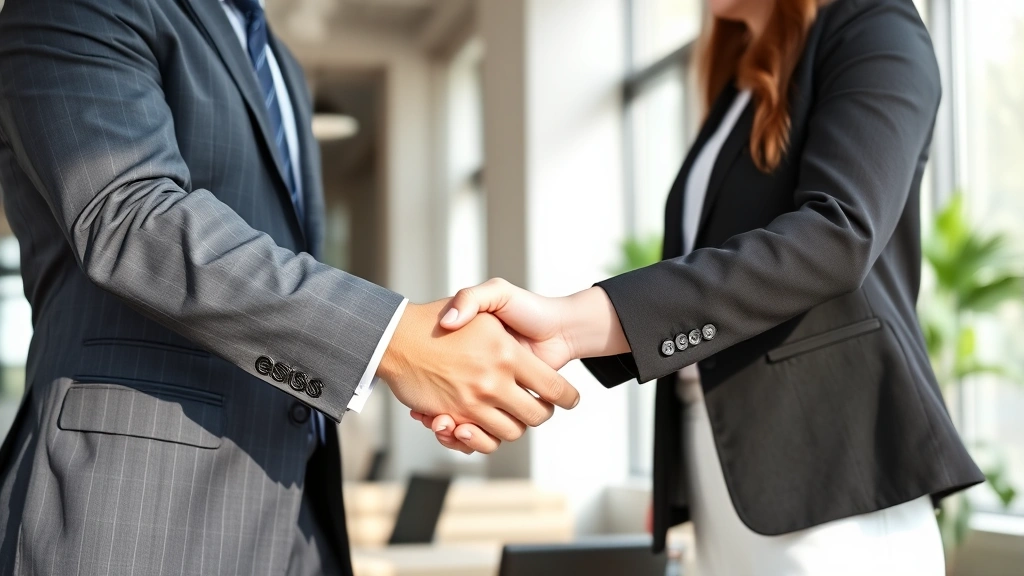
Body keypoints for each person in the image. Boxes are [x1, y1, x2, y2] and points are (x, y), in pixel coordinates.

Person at [0, 0, 579, 574]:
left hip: (298, 514)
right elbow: (131, 217)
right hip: (138, 506)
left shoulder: (280, 65)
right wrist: (395, 342)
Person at [418, 0, 984, 573]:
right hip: (725, 467)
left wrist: (571, 324)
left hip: (832, 473)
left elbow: (839, 234)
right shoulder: (739, 81)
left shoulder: (874, 23)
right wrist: (545, 345)